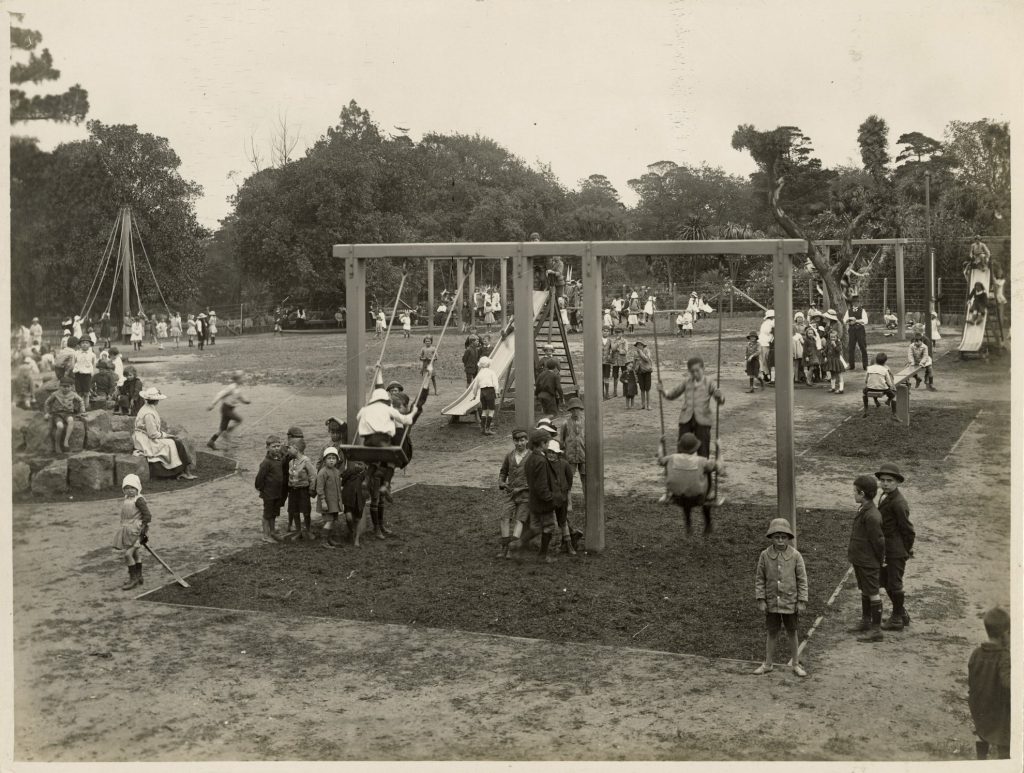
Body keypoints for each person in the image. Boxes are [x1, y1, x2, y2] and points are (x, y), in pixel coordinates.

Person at [753, 518, 808, 677]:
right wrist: (761, 599)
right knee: (772, 632)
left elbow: (802, 579)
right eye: (777, 537)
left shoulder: (796, 556)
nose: (780, 541)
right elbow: (760, 578)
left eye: (783, 537)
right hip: (772, 602)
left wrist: (802, 600)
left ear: (788, 538)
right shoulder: (764, 556)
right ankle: (768, 663)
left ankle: (796, 663)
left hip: (790, 602)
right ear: (771, 537)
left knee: (792, 631)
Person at [511, 429, 562, 563]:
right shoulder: (541, 460)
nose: (548, 446)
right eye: (547, 443)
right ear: (542, 443)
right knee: (549, 526)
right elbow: (542, 486)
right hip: (543, 502)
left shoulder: (530, 459)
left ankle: (518, 543)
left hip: (533, 501)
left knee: (535, 527)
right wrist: (550, 499)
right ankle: (542, 556)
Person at [875, 463, 915, 631]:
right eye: (882, 480)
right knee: (885, 581)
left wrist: (905, 550)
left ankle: (897, 619)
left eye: (890, 480)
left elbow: (908, 530)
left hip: (895, 550)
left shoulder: (899, 502)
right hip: (887, 548)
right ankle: (902, 613)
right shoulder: (885, 496)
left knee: (895, 584)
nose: (885, 484)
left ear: (897, 482)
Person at [657, 432, 722, 535]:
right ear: (696, 448)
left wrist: (661, 443)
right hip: (699, 499)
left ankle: (688, 524)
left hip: (678, 498)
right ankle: (708, 523)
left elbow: (660, 460)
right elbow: (719, 467)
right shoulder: (702, 461)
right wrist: (719, 449)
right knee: (707, 476)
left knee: (685, 487)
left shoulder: (672, 458)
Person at [967, 607, 1011, 760]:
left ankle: (981, 760)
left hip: (979, 704)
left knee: (982, 733)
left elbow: (972, 678)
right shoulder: (1004, 657)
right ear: (1005, 635)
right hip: (999, 708)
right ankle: (1005, 762)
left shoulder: (976, 653)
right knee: (1005, 737)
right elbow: (1007, 684)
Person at [660, 356, 724, 457]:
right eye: (692, 371)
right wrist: (663, 391)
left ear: (703, 369)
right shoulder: (687, 382)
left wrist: (719, 397)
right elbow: (673, 394)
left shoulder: (709, 382)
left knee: (703, 448)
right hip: (686, 418)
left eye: (697, 371)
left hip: (703, 419)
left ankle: (704, 471)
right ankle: (680, 467)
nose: (695, 374)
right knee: (682, 446)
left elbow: (720, 400)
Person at [847, 474, 885, 642]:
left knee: (873, 593)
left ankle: (876, 630)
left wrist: (878, 559)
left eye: (854, 491)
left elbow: (878, 541)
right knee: (865, 589)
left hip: (868, 561)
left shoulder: (872, 515)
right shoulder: (864, 508)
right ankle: (866, 621)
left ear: (862, 493)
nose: (853, 494)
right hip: (861, 559)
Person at [132, 386, 198, 480]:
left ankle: (184, 471)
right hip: (145, 439)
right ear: (156, 401)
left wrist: (165, 435)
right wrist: (166, 435)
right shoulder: (149, 413)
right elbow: (152, 434)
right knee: (175, 443)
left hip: (146, 436)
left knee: (175, 442)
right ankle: (183, 472)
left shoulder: (148, 408)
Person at [112, 474, 153, 591]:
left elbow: (147, 516)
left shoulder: (139, 500)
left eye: (133, 488)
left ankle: (133, 579)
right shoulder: (127, 499)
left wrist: (142, 530)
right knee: (135, 554)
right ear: (124, 489)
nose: (130, 490)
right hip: (127, 530)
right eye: (127, 488)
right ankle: (139, 576)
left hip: (137, 531)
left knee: (128, 554)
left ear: (138, 488)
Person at [497, 428, 531, 559]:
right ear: (513, 442)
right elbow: (503, 472)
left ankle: (512, 548)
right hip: (510, 493)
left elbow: (535, 479)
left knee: (519, 520)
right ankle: (504, 547)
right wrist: (501, 481)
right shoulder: (509, 456)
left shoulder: (531, 457)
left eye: (522, 440)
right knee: (504, 517)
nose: (519, 444)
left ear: (527, 441)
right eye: (516, 441)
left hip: (525, 496)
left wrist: (523, 488)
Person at [546, 439, 578, 555]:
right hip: (549, 497)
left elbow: (569, 481)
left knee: (563, 521)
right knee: (552, 522)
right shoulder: (545, 464)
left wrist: (568, 499)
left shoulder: (564, 464)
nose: (551, 454)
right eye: (549, 452)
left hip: (562, 497)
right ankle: (555, 545)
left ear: (558, 454)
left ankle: (569, 544)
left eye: (553, 452)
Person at [254, 435, 286, 543]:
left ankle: (272, 531)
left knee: (274, 513)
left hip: (277, 492)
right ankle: (265, 535)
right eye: (274, 446)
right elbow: (259, 478)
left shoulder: (279, 459)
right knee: (267, 514)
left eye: (278, 446)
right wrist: (261, 489)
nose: (276, 448)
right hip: (268, 493)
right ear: (267, 448)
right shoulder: (266, 462)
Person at [207, 370, 250, 450]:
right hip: (226, 409)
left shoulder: (238, 388)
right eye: (242, 378)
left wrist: (245, 401)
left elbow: (240, 397)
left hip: (229, 409)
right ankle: (228, 431)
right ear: (237, 379)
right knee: (239, 420)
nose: (244, 379)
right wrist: (212, 404)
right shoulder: (231, 387)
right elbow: (220, 394)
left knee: (222, 429)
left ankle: (211, 441)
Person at [286, 434, 317, 540]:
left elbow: (313, 476)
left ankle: (308, 530)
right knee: (294, 511)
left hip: (303, 491)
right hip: (293, 491)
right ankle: (298, 531)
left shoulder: (306, 461)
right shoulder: (291, 462)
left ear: (296, 448)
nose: (288, 450)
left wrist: (312, 489)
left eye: (289, 448)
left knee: (306, 511)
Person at [42, 378, 85, 453]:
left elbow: (81, 400)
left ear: (71, 387)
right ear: (60, 386)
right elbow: (47, 402)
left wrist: (82, 410)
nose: (66, 388)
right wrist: (47, 413)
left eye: (68, 386)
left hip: (68, 413)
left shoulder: (73, 394)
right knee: (60, 426)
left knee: (71, 420)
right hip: (57, 414)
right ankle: (57, 444)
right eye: (64, 386)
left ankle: (66, 441)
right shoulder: (55, 394)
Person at [316, 446, 345, 548]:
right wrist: (323, 501)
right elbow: (319, 488)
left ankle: (329, 538)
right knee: (329, 520)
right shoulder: (323, 472)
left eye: (334, 458)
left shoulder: (336, 471)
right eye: (329, 458)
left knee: (332, 520)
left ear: (337, 460)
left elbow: (337, 486)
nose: (331, 460)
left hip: (334, 501)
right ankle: (323, 541)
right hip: (327, 502)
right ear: (324, 460)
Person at [559, 396, 586, 501]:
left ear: (580, 409)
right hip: (570, 456)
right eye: (573, 409)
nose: (575, 412)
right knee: (568, 479)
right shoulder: (565, 424)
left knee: (585, 478)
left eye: (577, 409)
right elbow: (562, 441)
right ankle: (568, 501)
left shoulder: (586, 422)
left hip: (584, 455)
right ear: (570, 410)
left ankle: (587, 499)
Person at [862, 352, 899, 421]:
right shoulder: (885, 369)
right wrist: (891, 387)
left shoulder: (869, 368)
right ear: (885, 362)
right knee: (894, 395)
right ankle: (894, 414)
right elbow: (889, 383)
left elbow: (866, 380)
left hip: (870, 388)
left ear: (875, 360)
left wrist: (871, 383)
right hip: (882, 388)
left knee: (864, 393)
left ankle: (866, 410)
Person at [471, 355, 500, 435]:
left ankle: (482, 428)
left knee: (484, 410)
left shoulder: (479, 374)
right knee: (491, 410)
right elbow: (495, 383)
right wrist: (497, 392)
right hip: (490, 391)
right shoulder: (491, 372)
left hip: (482, 392)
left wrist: (474, 395)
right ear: (488, 364)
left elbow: (475, 386)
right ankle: (487, 429)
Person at [843, 292, 869, 371]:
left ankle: (865, 365)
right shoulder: (849, 311)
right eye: (854, 302)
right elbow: (844, 320)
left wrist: (856, 321)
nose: (856, 303)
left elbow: (865, 321)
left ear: (859, 302)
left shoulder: (862, 310)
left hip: (860, 330)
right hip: (851, 330)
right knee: (851, 348)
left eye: (857, 302)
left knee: (863, 347)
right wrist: (848, 321)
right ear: (852, 303)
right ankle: (851, 365)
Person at [71, 336, 98, 411]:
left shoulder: (92, 355)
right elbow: (73, 363)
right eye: (82, 343)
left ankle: (86, 407)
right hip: (78, 374)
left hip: (87, 375)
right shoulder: (76, 353)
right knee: (79, 392)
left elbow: (93, 365)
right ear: (79, 344)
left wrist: (91, 373)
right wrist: (75, 371)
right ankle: (78, 406)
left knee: (86, 392)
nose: (84, 344)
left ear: (90, 345)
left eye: (86, 343)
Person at [633, 340, 654, 410]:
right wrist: (634, 371)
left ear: (643, 345)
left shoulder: (647, 351)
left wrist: (641, 353)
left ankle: (649, 405)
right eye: (637, 345)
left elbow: (647, 359)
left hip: (647, 371)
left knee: (647, 389)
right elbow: (634, 362)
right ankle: (643, 405)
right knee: (642, 389)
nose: (639, 346)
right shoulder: (635, 353)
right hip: (639, 372)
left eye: (640, 345)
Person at [824, 329, 846, 394]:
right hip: (830, 361)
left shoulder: (839, 343)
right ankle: (833, 388)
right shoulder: (828, 343)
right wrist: (825, 355)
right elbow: (826, 350)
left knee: (839, 375)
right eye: (831, 337)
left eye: (834, 337)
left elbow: (839, 350)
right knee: (832, 374)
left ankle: (841, 389)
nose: (833, 338)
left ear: (837, 337)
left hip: (836, 361)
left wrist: (835, 345)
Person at [757, 310, 775, 384]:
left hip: (764, 343)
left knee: (765, 360)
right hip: (766, 343)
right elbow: (768, 331)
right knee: (766, 360)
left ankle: (767, 374)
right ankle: (766, 374)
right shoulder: (769, 323)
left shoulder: (767, 323)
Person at [610, 327, 628, 398]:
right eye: (617, 332)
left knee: (625, 375)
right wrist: (618, 344)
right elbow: (613, 349)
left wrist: (619, 350)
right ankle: (615, 392)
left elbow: (625, 351)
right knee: (615, 376)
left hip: (623, 360)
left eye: (619, 332)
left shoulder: (625, 341)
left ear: (622, 333)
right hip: (615, 361)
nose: (618, 334)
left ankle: (625, 392)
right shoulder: (613, 340)